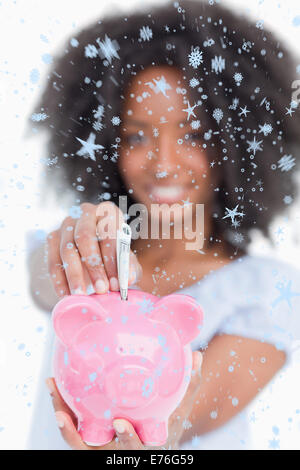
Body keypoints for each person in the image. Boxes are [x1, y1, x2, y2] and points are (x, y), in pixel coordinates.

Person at [26, 0, 300, 450]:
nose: (164, 164)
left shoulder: (268, 292)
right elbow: (41, 283)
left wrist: (146, 441)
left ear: (237, 144)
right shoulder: (83, 254)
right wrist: (73, 244)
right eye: (135, 135)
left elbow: (184, 414)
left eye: (192, 134)